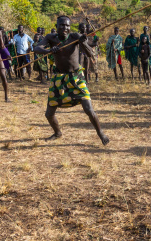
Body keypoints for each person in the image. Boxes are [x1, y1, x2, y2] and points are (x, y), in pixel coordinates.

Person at [33, 16, 109, 146]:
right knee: (49, 113)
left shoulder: (74, 36)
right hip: (58, 78)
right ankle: (57, 133)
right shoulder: (51, 38)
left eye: (67, 25)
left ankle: (101, 133)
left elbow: (90, 54)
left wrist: (83, 42)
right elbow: (36, 48)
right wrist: (49, 50)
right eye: (62, 25)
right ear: (57, 26)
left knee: (88, 108)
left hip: (76, 77)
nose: (65, 28)